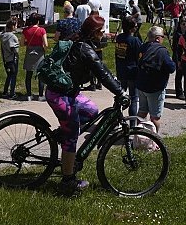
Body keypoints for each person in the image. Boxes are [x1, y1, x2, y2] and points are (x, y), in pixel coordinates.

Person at [47, 13, 128, 192]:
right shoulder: (85, 48)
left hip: (69, 92)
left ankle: (63, 133)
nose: (104, 34)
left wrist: (117, 87)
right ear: (93, 32)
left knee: (92, 111)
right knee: (72, 137)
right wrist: (120, 92)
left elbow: (102, 69)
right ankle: (67, 181)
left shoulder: (83, 43)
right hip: (59, 95)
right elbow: (102, 73)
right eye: (101, 31)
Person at [135, 26, 176, 133]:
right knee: (155, 117)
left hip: (141, 85)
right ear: (158, 38)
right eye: (163, 37)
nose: (163, 39)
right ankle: (154, 140)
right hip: (155, 88)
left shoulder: (143, 47)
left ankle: (138, 135)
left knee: (142, 113)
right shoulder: (162, 51)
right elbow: (171, 68)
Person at [114, 17, 142, 116]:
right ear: (131, 28)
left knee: (120, 95)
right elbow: (140, 56)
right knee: (133, 98)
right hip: (132, 71)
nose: (137, 27)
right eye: (135, 26)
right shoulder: (135, 40)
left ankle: (115, 118)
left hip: (121, 70)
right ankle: (132, 124)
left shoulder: (119, 38)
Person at [22, 13, 48, 100]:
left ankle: (29, 95)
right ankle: (40, 95)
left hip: (29, 51)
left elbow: (22, 43)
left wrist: (28, 43)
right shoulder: (42, 30)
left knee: (28, 74)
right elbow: (46, 44)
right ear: (37, 21)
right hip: (39, 53)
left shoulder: (25, 30)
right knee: (40, 74)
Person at [0, 21, 20, 99]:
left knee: (9, 75)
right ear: (13, 26)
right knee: (13, 76)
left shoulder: (2, 36)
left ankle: (5, 91)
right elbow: (14, 49)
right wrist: (17, 55)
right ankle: (12, 93)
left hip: (6, 58)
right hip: (12, 58)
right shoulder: (12, 37)